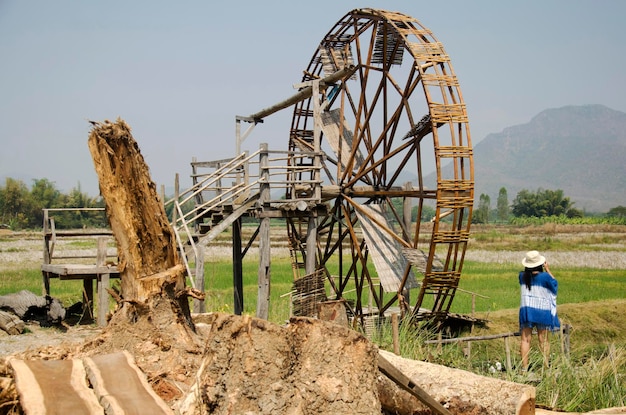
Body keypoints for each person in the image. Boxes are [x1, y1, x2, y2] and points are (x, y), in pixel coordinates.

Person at [518, 250, 560, 370]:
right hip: (542, 311)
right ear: (540, 264)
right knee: (543, 340)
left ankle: (524, 369)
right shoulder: (545, 277)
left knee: (525, 340)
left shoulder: (522, 276)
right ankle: (546, 367)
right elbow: (555, 284)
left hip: (527, 311)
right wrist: (548, 269)